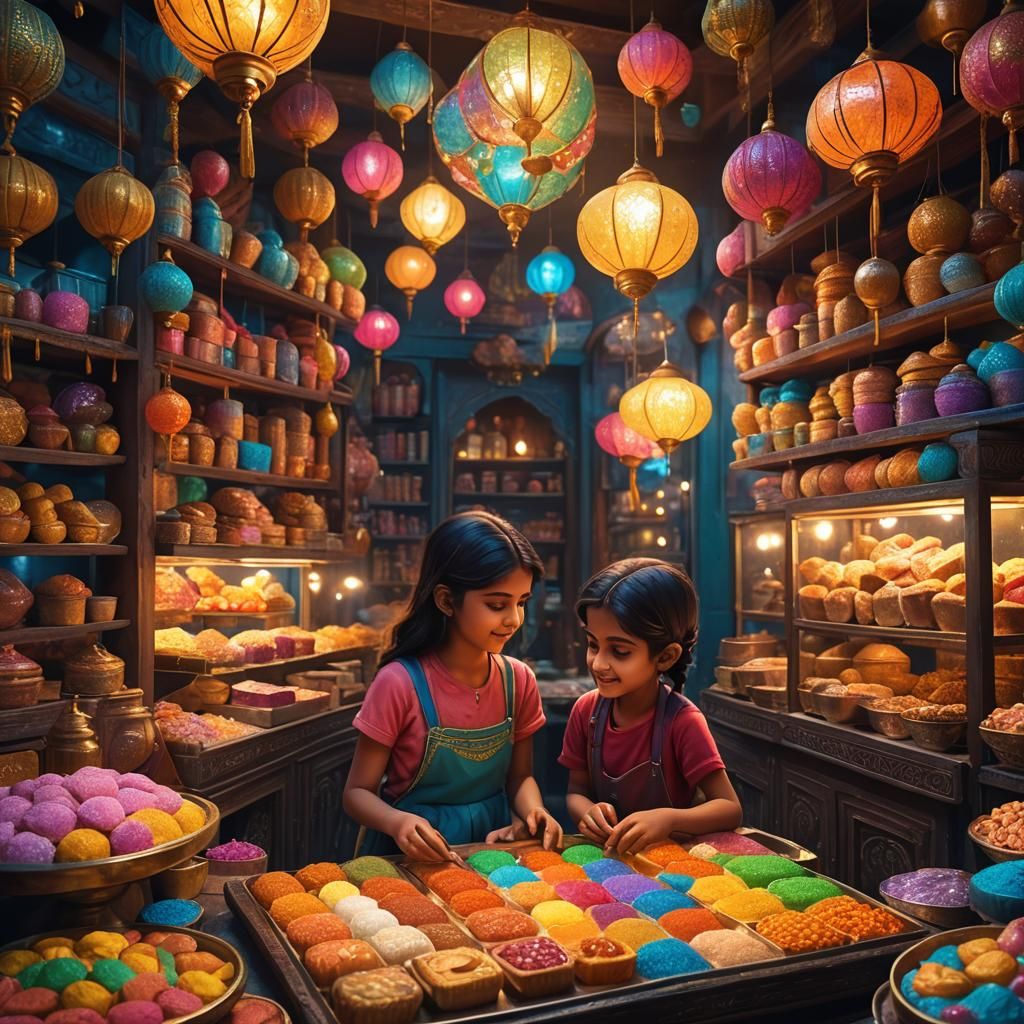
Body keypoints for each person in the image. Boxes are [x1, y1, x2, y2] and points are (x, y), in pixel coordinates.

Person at [344, 511, 562, 861]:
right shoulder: (399, 683)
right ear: (446, 600)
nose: (513, 619)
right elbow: (357, 793)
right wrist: (397, 822)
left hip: (492, 854)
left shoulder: (519, 680)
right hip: (414, 856)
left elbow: (520, 778)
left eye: (522, 602)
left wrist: (534, 810)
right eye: (497, 604)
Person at [559, 558, 742, 855]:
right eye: (593, 645)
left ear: (666, 656)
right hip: (608, 861)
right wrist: (587, 812)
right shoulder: (586, 711)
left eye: (619, 651)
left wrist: (670, 820)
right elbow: (575, 792)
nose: (599, 663)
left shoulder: (683, 721)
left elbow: (729, 808)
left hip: (673, 864)